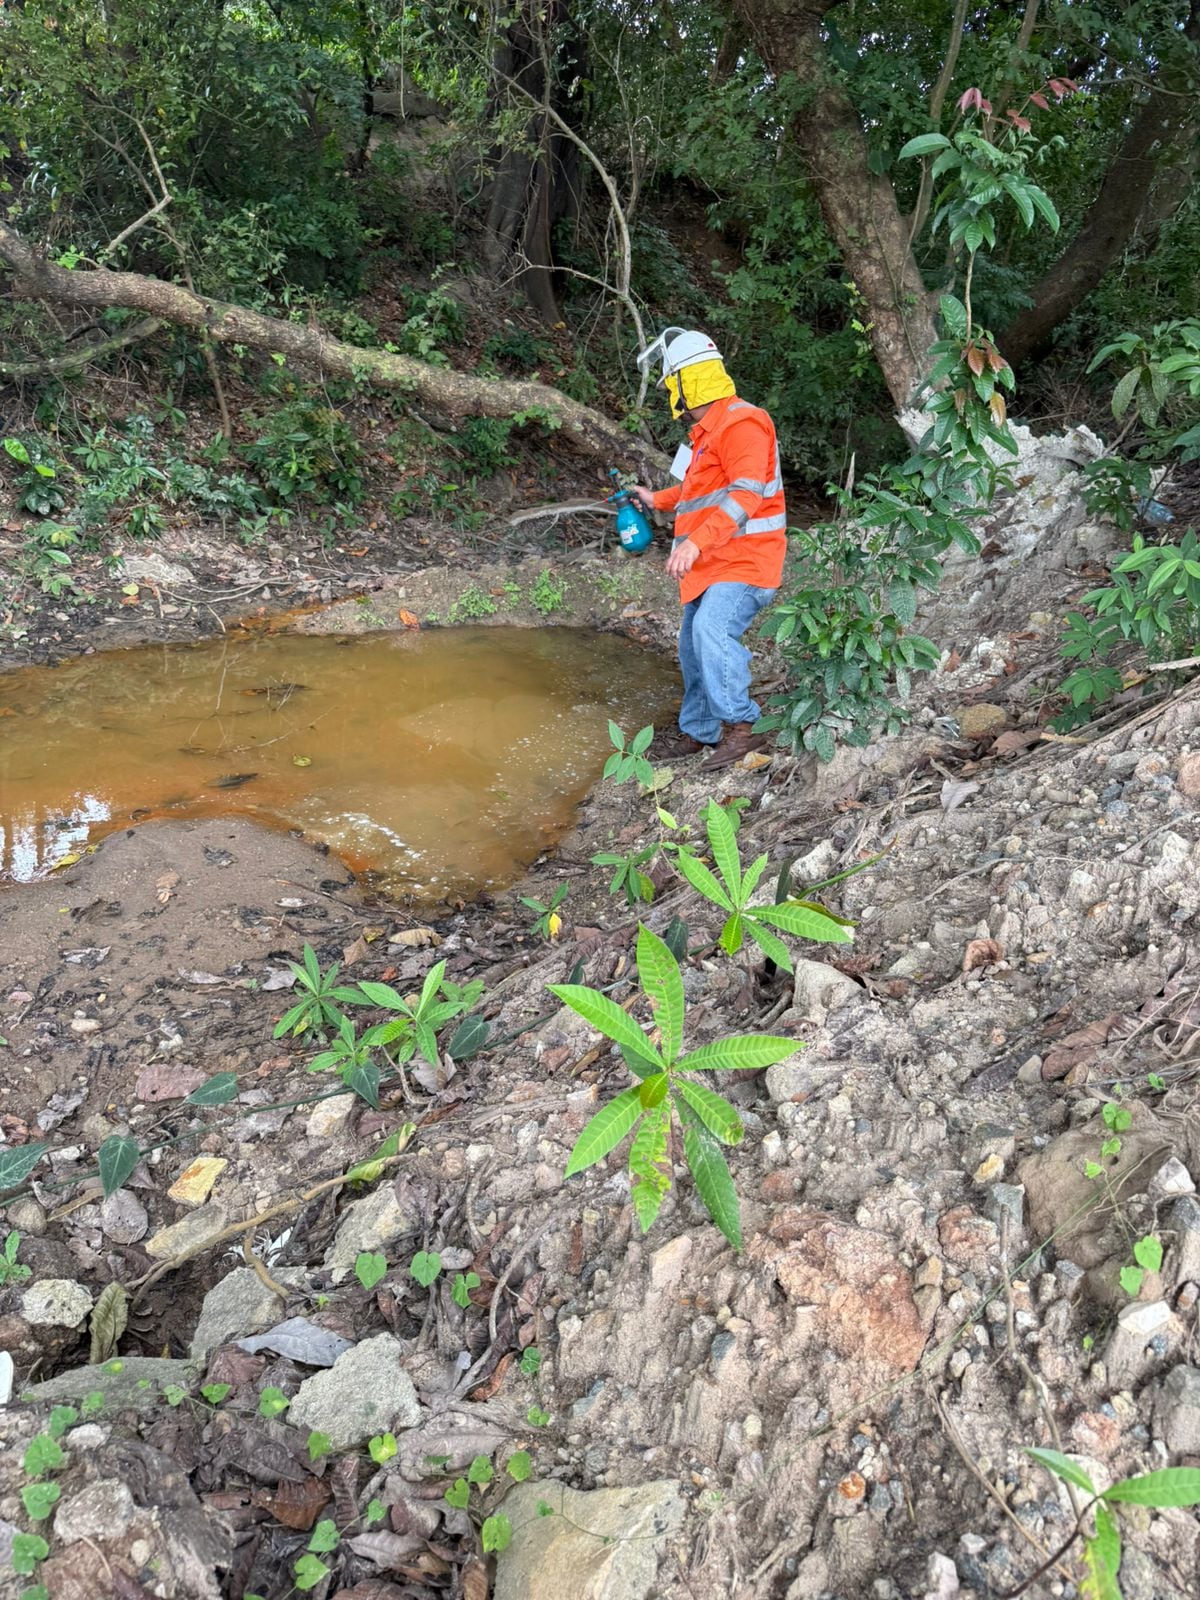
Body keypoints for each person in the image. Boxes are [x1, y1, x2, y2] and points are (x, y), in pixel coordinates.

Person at [628, 328, 787, 770]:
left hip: (745, 560)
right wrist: (654, 499)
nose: (669, 395)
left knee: (710, 631)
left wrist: (694, 543)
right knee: (691, 647)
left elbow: (746, 493)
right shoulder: (706, 434)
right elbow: (696, 493)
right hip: (715, 562)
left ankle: (743, 725)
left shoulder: (742, 423)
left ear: (687, 382)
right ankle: (700, 731)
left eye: (671, 385)